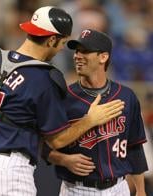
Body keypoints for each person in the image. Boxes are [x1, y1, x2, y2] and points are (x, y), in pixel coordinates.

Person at [0, 6, 124, 196]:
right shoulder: (44, 78)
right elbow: (57, 140)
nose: (62, 48)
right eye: (62, 42)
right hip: (10, 170)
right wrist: (90, 120)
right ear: (52, 39)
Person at [44, 29, 148, 196]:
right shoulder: (63, 97)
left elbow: (134, 146)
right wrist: (63, 160)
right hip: (76, 189)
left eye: (85, 51)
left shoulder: (126, 96)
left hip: (118, 188)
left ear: (103, 57)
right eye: (76, 51)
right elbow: (41, 145)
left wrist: (141, 190)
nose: (77, 55)